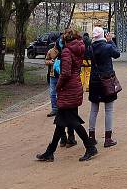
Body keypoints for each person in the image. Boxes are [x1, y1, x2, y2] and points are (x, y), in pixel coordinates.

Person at [36, 28, 98, 162]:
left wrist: (58, 86)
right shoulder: (79, 48)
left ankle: (90, 146)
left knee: (73, 121)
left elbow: (65, 73)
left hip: (68, 88)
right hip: (75, 86)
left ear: (65, 40)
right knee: (60, 121)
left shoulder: (67, 51)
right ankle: (50, 151)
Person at [88, 27, 121, 147]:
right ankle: (108, 139)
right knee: (109, 110)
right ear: (103, 35)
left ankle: (91, 137)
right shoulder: (107, 46)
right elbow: (117, 54)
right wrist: (111, 41)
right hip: (107, 80)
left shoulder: (90, 48)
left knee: (93, 109)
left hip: (94, 81)